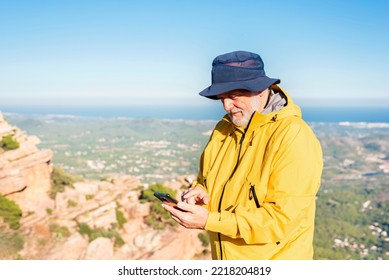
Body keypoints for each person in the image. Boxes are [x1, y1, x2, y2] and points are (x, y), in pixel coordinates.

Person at [162, 50, 323, 260]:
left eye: (233, 96)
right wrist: (200, 192)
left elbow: (281, 220)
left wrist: (209, 221)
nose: (227, 106)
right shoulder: (224, 129)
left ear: (260, 90)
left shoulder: (293, 136)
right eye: (222, 98)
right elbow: (208, 180)